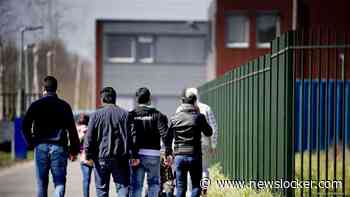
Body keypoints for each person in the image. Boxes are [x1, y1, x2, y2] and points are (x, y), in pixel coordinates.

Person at [22, 76, 80, 197]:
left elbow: (25, 125)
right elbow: (72, 130)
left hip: (41, 146)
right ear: (56, 89)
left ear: (44, 89)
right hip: (59, 148)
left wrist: (31, 142)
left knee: (41, 183)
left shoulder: (36, 105)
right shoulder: (64, 106)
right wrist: (74, 150)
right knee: (59, 183)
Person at [84, 87, 131, 197]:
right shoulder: (125, 115)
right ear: (115, 99)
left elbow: (89, 137)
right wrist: (132, 154)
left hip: (101, 158)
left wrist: (88, 155)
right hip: (120, 159)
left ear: (102, 99)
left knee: (102, 191)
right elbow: (131, 137)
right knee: (122, 188)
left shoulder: (95, 115)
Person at [167, 92, 212, 197]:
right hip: (195, 155)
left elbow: (167, 137)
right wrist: (200, 115)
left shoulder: (174, 118)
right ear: (194, 103)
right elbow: (209, 132)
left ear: (182, 103)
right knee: (196, 185)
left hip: (179, 156)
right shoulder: (199, 117)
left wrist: (168, 152)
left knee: (180, 186)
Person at [128, 87, 170, 197]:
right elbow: (165, 135)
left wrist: (133, 154)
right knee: (154, 184)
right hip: (154, 155)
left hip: (137, 156)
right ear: (149, 99)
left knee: (137, 185)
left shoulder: (132, 115)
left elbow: (129, 135)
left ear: (137, 99)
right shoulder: (158, 115)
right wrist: (168, 152)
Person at [76, 114, 93, 197]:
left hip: (84, 157)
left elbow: (77, 142)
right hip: (93, 157)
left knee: (86, 180)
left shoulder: (78, 129)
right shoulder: (90, 128)